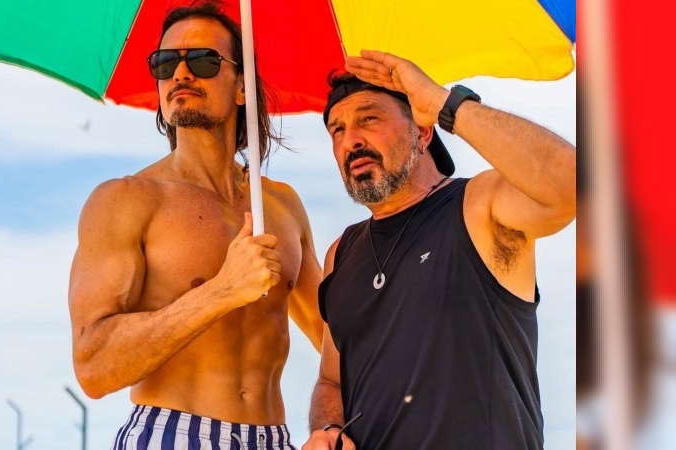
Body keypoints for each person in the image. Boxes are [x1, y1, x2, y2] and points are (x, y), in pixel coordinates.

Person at [67, 3, 324, 449]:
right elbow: (93, 366)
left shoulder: (282, 205)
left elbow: (335, 339)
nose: (181, 74)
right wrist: (222, 291)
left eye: (203, 61)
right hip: (173, 433)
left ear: (242, 87)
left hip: (274, 438)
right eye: (165, 63)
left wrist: (332, 424)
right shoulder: (127, 200)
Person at [301, 50, 576, 450]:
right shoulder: (341, 253)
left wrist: (445, 104)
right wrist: (326, 428)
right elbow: (331, 381)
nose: (351, 140)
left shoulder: (478, 207)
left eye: (369, 119)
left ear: (422, 131)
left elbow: (571, 184)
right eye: (336, 129)